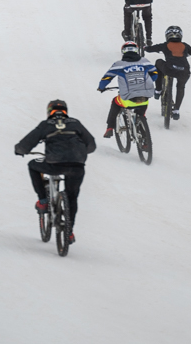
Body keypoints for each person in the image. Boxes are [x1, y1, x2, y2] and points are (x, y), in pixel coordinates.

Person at [14, 100, 96, 240]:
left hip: (54, 164)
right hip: (77, 166)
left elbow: (26, 144)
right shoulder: (75, 123)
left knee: (32, 165)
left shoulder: (46, 125)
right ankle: (69, 232)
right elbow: (91, 145)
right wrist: (78, 154)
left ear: (49, 111)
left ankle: (43, 200)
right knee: (72, 197)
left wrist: (20, 150)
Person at [98, 40, 158, 138]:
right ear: (137, 50)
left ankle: (110, 128)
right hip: (146, 96)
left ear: (123, 51)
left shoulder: (119, 64)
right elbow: (155, 74)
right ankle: (145, 140)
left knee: (115, 102)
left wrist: (101, 88)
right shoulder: (145, 61)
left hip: (128, 98)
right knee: (141, 113)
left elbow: (106, 78)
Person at [146, 27, 191, 119]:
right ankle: (176, 110)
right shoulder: (185, 45)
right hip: (184, 71)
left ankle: (158, 90)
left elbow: (150, 49)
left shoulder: (165, 45)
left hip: (169, 69)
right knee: (181, 87)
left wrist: (145, 48)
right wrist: (188, 52)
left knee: (158, 62)